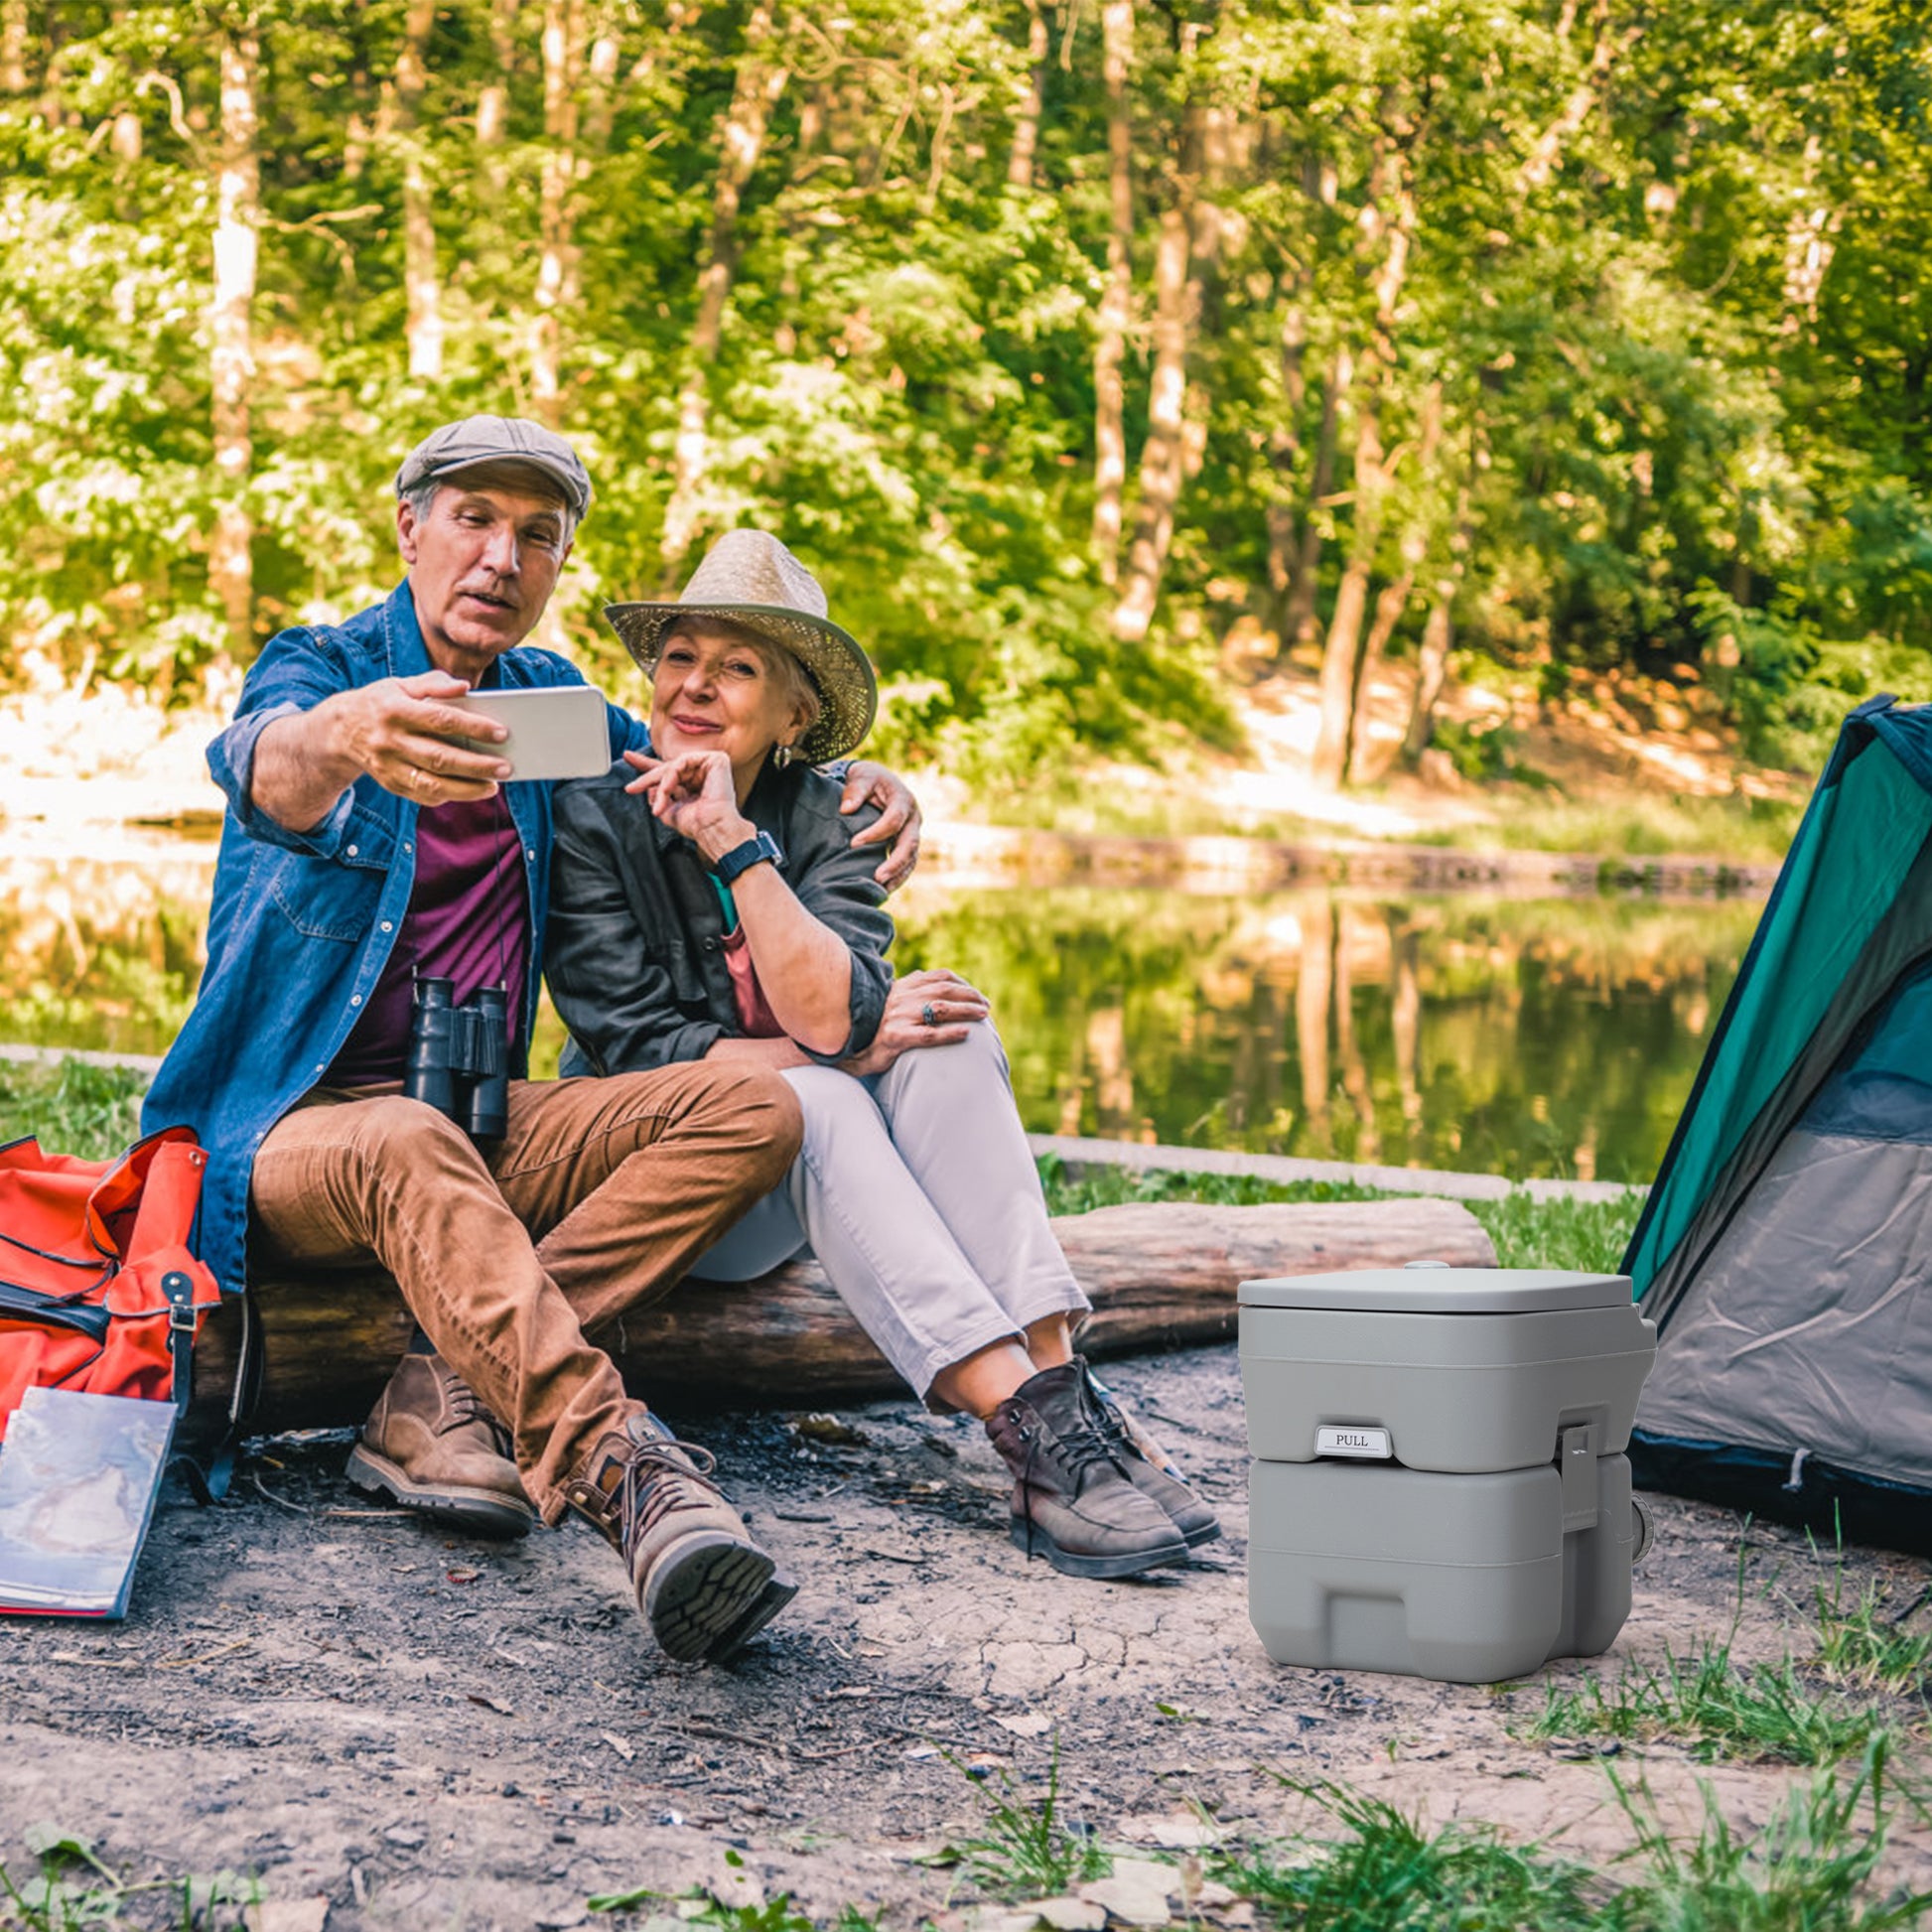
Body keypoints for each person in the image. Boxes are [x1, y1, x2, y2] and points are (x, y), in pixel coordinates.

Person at [142, 419, 923, 1664]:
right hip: (286, 1134)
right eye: (473, 519)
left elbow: (708, 745)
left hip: (482, 1121)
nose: (501, 555)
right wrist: (349, 735)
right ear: (410, 528)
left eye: (537, 534)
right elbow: (261, 766)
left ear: (557, 564)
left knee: (758, 1108)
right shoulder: (323, 671)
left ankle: (437, 1385)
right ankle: (628, 1477)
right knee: (403, 1135)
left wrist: (859, 783)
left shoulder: (551, 711)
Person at [545, 530, 1219, 1580]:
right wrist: (837, 1055)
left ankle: (1060, 1396)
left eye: (736, 667)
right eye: (678, 656)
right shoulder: (591, 808)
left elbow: (834, 1012)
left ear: (794, 715)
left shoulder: (827, 816)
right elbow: (641, 1048)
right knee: (823, 1092)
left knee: (951, 1034)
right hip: (673, 1178)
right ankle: (1029, 1423)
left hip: (795, 1185)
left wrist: (736, 843)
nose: (694, 686)